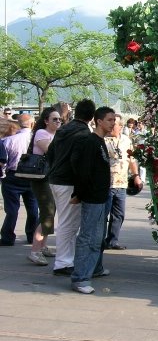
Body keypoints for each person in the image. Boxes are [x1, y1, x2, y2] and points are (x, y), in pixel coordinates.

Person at [69, 107, 116, 294]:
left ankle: (92, 270)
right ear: (99, 121)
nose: (113, 123)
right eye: (110, 120)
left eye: (114, 120)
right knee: (87, 237)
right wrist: (79, 193)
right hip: (93, 197)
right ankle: (80, 278)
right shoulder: (89, 141)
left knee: (97, 238)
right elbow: (83, 170)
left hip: (102, 196)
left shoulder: (100, 141)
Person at [48, 99, 96, 276]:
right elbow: (78, 161)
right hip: (68, 182)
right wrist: (82, 184)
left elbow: (51, 153)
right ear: (92, 116)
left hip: (56, 178)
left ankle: (65, 259)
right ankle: (63, 262)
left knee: (65, 222)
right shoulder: (83, 133)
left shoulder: (63, 129)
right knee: (68, 224)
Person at [27, 108, 62, 265]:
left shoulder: (55, 135)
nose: (58, 122)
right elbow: (51, 152)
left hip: (51, 177)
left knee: (50, 211)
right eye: (54, 119)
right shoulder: (42, 133)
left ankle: (43, 246)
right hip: (41, 178)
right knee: (47, 212)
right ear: (46, 120)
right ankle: (35, 250)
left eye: (60, 119)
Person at [103, 114, 143, 251]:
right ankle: (100, 240)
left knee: (119, 214)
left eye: (115, 124)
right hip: (107, 183)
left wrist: (136, 175)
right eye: (111, 123)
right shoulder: (103, 140)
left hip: (122, 182)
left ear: (120, 126)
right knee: (103, 214)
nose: (112, 126)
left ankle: (113, 240)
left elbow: (131, 160)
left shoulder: (126, 140)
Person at [0, 114, 38, 246]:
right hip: (32, 175)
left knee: (12, 209)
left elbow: (3, 161)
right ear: (32, 124)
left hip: (12, 175)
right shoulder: (37, 138)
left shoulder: (8, 140)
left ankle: (8, 236)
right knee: (33, 208)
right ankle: (32, 235)